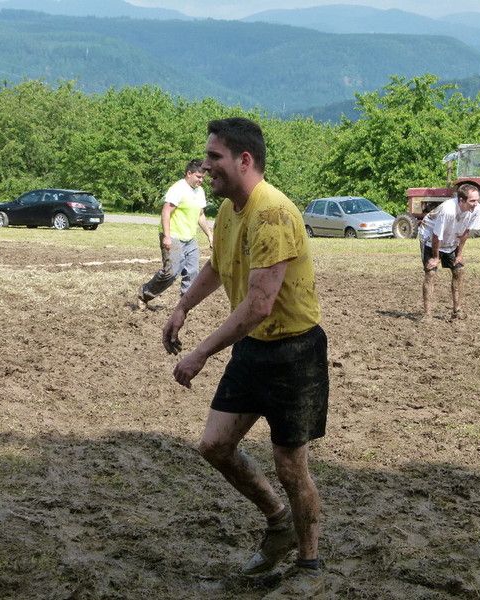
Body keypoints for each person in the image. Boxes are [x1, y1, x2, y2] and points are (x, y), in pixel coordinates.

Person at [162, 117, 328, 599]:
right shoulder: (230, 209)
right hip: (253, 348)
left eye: (214, 157)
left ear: (244, 160)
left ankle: (310, 564)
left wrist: (199, 353)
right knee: (215, 446)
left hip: (295, 354)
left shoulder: (272, 213)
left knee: (290, 466)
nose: (206, 165)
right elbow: (218, 265)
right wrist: (183, 306)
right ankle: (279, 524)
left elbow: (259, 304)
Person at [137, 159, 213, 309]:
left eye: (203, 177)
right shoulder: (178, 189)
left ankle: (185, 305)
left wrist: (210, 235)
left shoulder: (200, 191)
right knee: (171, 273)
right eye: (198, 177)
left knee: (192, 272)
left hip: (190, 239)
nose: (201, 180)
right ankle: (145, 293)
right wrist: (166, 236)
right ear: (189, 173)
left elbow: (200, 215)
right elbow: (166, 212)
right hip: (173, 236)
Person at [419, 183, 480, 321]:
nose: (476, 203)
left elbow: (466, 231)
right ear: (461, 200)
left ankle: (457, 311)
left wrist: (459, 254)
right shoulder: (447, 210)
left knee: (459, 271)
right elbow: (437, 236)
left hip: (452, 237)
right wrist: (436, 257)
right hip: (430, 237)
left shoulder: (476, 209)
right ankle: (427, 314)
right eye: (472, 201)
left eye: (477, 200)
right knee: (431, 272)